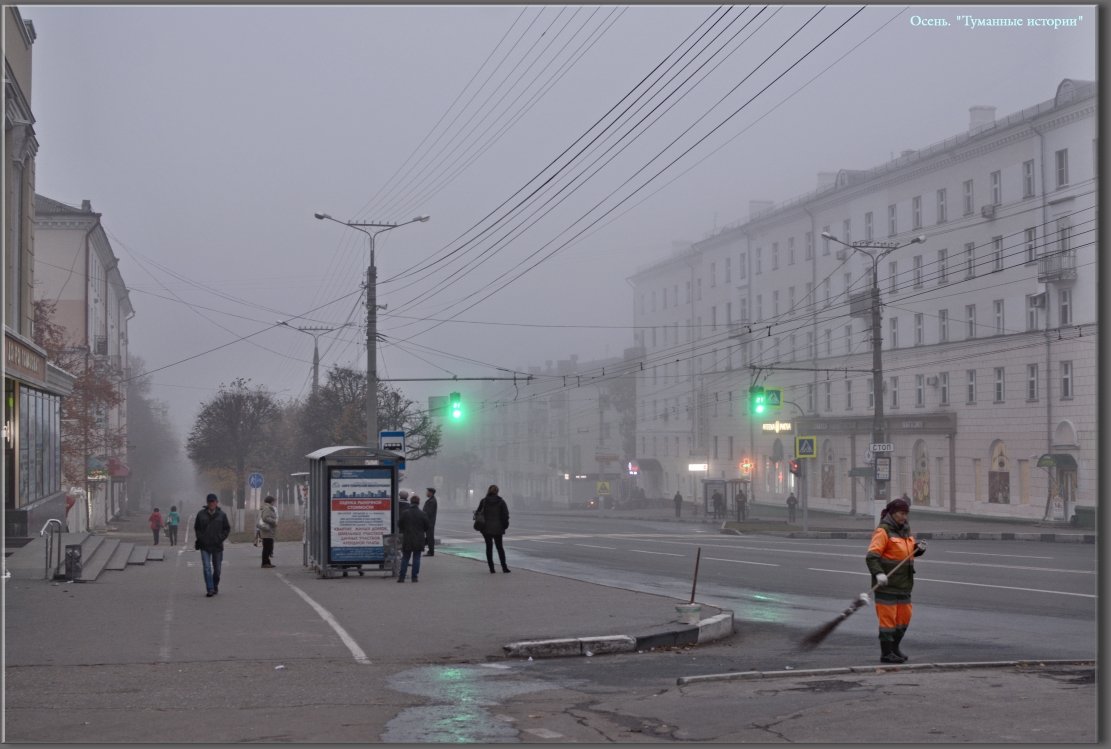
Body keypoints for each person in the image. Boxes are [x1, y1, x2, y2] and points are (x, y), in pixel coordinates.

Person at [865, 497, 927, 663]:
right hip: (887, 585)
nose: (904, 517)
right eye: (901, 513)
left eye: (906, 513)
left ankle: (895, 648)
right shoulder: (883, 531)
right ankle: (886, 653)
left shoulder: (905, 530)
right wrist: (879, 574)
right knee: (888, 622)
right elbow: (872, 556)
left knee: (904, 619)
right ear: (893, 513)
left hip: (904, 585)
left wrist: (918, 550)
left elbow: (908, 553)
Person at [194, 493, 231, 597]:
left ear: (216, 502)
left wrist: (220, 538)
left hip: (217, 546)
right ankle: (210, 588)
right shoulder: (200, 514)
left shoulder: (222, 515)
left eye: (213, 501)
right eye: (210, 502)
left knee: (217, 569)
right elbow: (197, 528)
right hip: (204, 545)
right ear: (207, 503)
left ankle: (215, 585)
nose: (211, 503)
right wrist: (201, 538)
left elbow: (227, 529)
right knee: (206, 567)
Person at [476, 484, 510, 573]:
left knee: (489, 548)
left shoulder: (483, 501)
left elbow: (478, 513)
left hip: (486, 528)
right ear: (497, 492)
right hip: (498, 528)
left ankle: (491, 568)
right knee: (500, 548)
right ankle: (504, 567)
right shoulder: (501, 502)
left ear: (488, 491)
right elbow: (505, 515)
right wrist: (505, 526)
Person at [397, 494, 429, 583]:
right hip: (419, 539)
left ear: (410, 502)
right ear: (418, 503)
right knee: (417, 558)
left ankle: (401, 577)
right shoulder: (423, 514)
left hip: (407, 538)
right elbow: (427, 526)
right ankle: (414, 577)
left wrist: (404, 531)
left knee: (405, 558)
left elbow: (399, 524)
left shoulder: (405, 513)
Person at [258, 495, 278, 568]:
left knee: (268, 547)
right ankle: (264, 563)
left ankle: (267, 562)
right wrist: (274, 521)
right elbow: (265, 518)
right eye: (274, 501)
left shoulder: (267, 508)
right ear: (271, 501)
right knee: (267, 547)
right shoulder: (267, 508)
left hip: (268, 531)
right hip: (267, 531)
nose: (274, 503)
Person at [423, 487, 438, 556]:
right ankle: (428, 549)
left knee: (430, 537)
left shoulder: (432, 501)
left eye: (427, 492)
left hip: (429, 522)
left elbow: (429, 512)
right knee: (429, 537)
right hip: (429, 522)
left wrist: (422, 515)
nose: (426, 493)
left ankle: (431, 552)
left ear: (431, 493)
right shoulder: (431, 500)